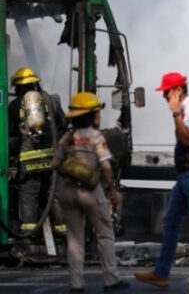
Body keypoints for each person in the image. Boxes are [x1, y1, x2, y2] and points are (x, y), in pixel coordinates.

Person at [135, 72, 189, 289]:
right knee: (170, 220)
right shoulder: (186, 110)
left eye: (166, 93)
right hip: (185, 176)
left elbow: (187, 137)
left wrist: (175, 115)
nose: (164, 97)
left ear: (177, 91)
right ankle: (161, 273)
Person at [52, 92, 130, 293]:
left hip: (68, 192)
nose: (100, 116)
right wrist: (111, 190)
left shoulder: (67, 139)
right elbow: (105, 167)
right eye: (97, 112)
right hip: (90, 191)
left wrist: (73, 169)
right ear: (91, 115)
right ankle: (111, 280)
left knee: (74, 239)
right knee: (104, 234)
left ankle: (76, 284)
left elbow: (56, 164)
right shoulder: (96, 137)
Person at [8, 67, 67, 234]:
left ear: (19, 87)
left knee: (29, 193)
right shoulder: (52, 101)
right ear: (35, 84)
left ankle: (29, 229)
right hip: (53, 156)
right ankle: (62, 229)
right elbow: (62, 124)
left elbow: (9, 132)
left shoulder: (14, 105)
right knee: (55, 193)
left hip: (29, 158)